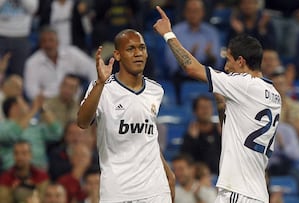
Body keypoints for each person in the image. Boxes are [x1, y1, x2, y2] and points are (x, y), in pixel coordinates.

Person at [154, 6, 281, 203]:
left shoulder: (244, 85)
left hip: (238, 192)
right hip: (257, 193)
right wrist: (221, 103)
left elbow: (191, 68)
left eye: (229, 60)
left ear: (240, 61)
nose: (227, 67)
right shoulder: (274, 94)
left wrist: (168, 34)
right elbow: (232, 126)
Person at [77, 29, 174, 202]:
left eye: (142, 48)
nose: (138, 54)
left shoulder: (156, 90)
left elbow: (147, 138)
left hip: (155, 189)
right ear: (117, 55)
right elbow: (82, 122)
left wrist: (168, 173)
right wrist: (100, 83)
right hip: (117, 190)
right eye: (131, 49)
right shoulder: (102, 88)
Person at [165, 0, 222, 104]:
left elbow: (218, 63)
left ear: (203, 13)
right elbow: (171, 63)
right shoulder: (176, 31)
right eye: (190, 11)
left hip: (206, 76)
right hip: (183, 77)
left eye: (196, 11)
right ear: (185, 13)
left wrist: (210, 56)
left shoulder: (211, 32)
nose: (193, 14)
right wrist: (188, 57)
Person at [24, 26, 96, 101]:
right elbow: (31, 90)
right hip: (48, 103)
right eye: (44, 41)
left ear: (58, 42)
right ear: (40, 44)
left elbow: (92, 67)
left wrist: (94, 91)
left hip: (75, 102)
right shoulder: (32, 62)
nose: (48, 44)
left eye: (51, 40)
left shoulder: (71, 53)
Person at [0, 96, 63, 170]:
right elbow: (11, 136)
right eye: (24, 103)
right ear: (14, 106)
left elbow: (57, 133)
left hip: (39, 171)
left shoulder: (35, 126)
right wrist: (34, 109)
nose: (28, 105)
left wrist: (42, 109)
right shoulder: (3, 126)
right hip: (13, 172)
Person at [180, 95, 221, 175]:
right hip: (198, 178)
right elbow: (186, 161)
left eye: (208, 107)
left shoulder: (220, 132)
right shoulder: (190, 135)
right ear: (195, 111)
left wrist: (224, 137)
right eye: (202, 108)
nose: (206, 111)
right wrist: (193, 140)